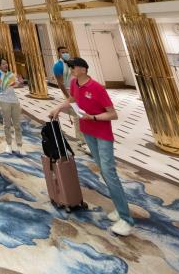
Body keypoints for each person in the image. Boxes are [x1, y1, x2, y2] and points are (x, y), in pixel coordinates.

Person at [48, 57, 134, 237]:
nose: (71, 70)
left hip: (102, 134)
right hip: (88, 132)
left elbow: (113, 114)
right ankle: (120, 208)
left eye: (73, 67)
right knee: (103, 171)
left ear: (83, 69)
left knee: (109, 172)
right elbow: (72, 100)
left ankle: (126, 219)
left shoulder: (96, 88)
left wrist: (93, 117)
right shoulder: (74, 83)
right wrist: (58, 109)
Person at [52, 47, 88, 153]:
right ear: (59, 54)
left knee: (82, 113)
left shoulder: (73, 63)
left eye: (67, 52)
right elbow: (60, 83)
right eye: (63, 52)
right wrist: (67, 96)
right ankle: (81, 140)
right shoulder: (58, 66)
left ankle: (86, 136)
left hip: (79, 90)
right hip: (69, 91)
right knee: (77, 114)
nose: (65, 54)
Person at [0, 58, 24, 154]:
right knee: (7, 125)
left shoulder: (11, 74)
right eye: (3, 64)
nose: (6, 65)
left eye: (6, 63)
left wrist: (21, 82)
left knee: (17, 125)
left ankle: (19, 145)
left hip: (14, 101)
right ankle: (9, 144)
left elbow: (17, 85)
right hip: (4, 100)